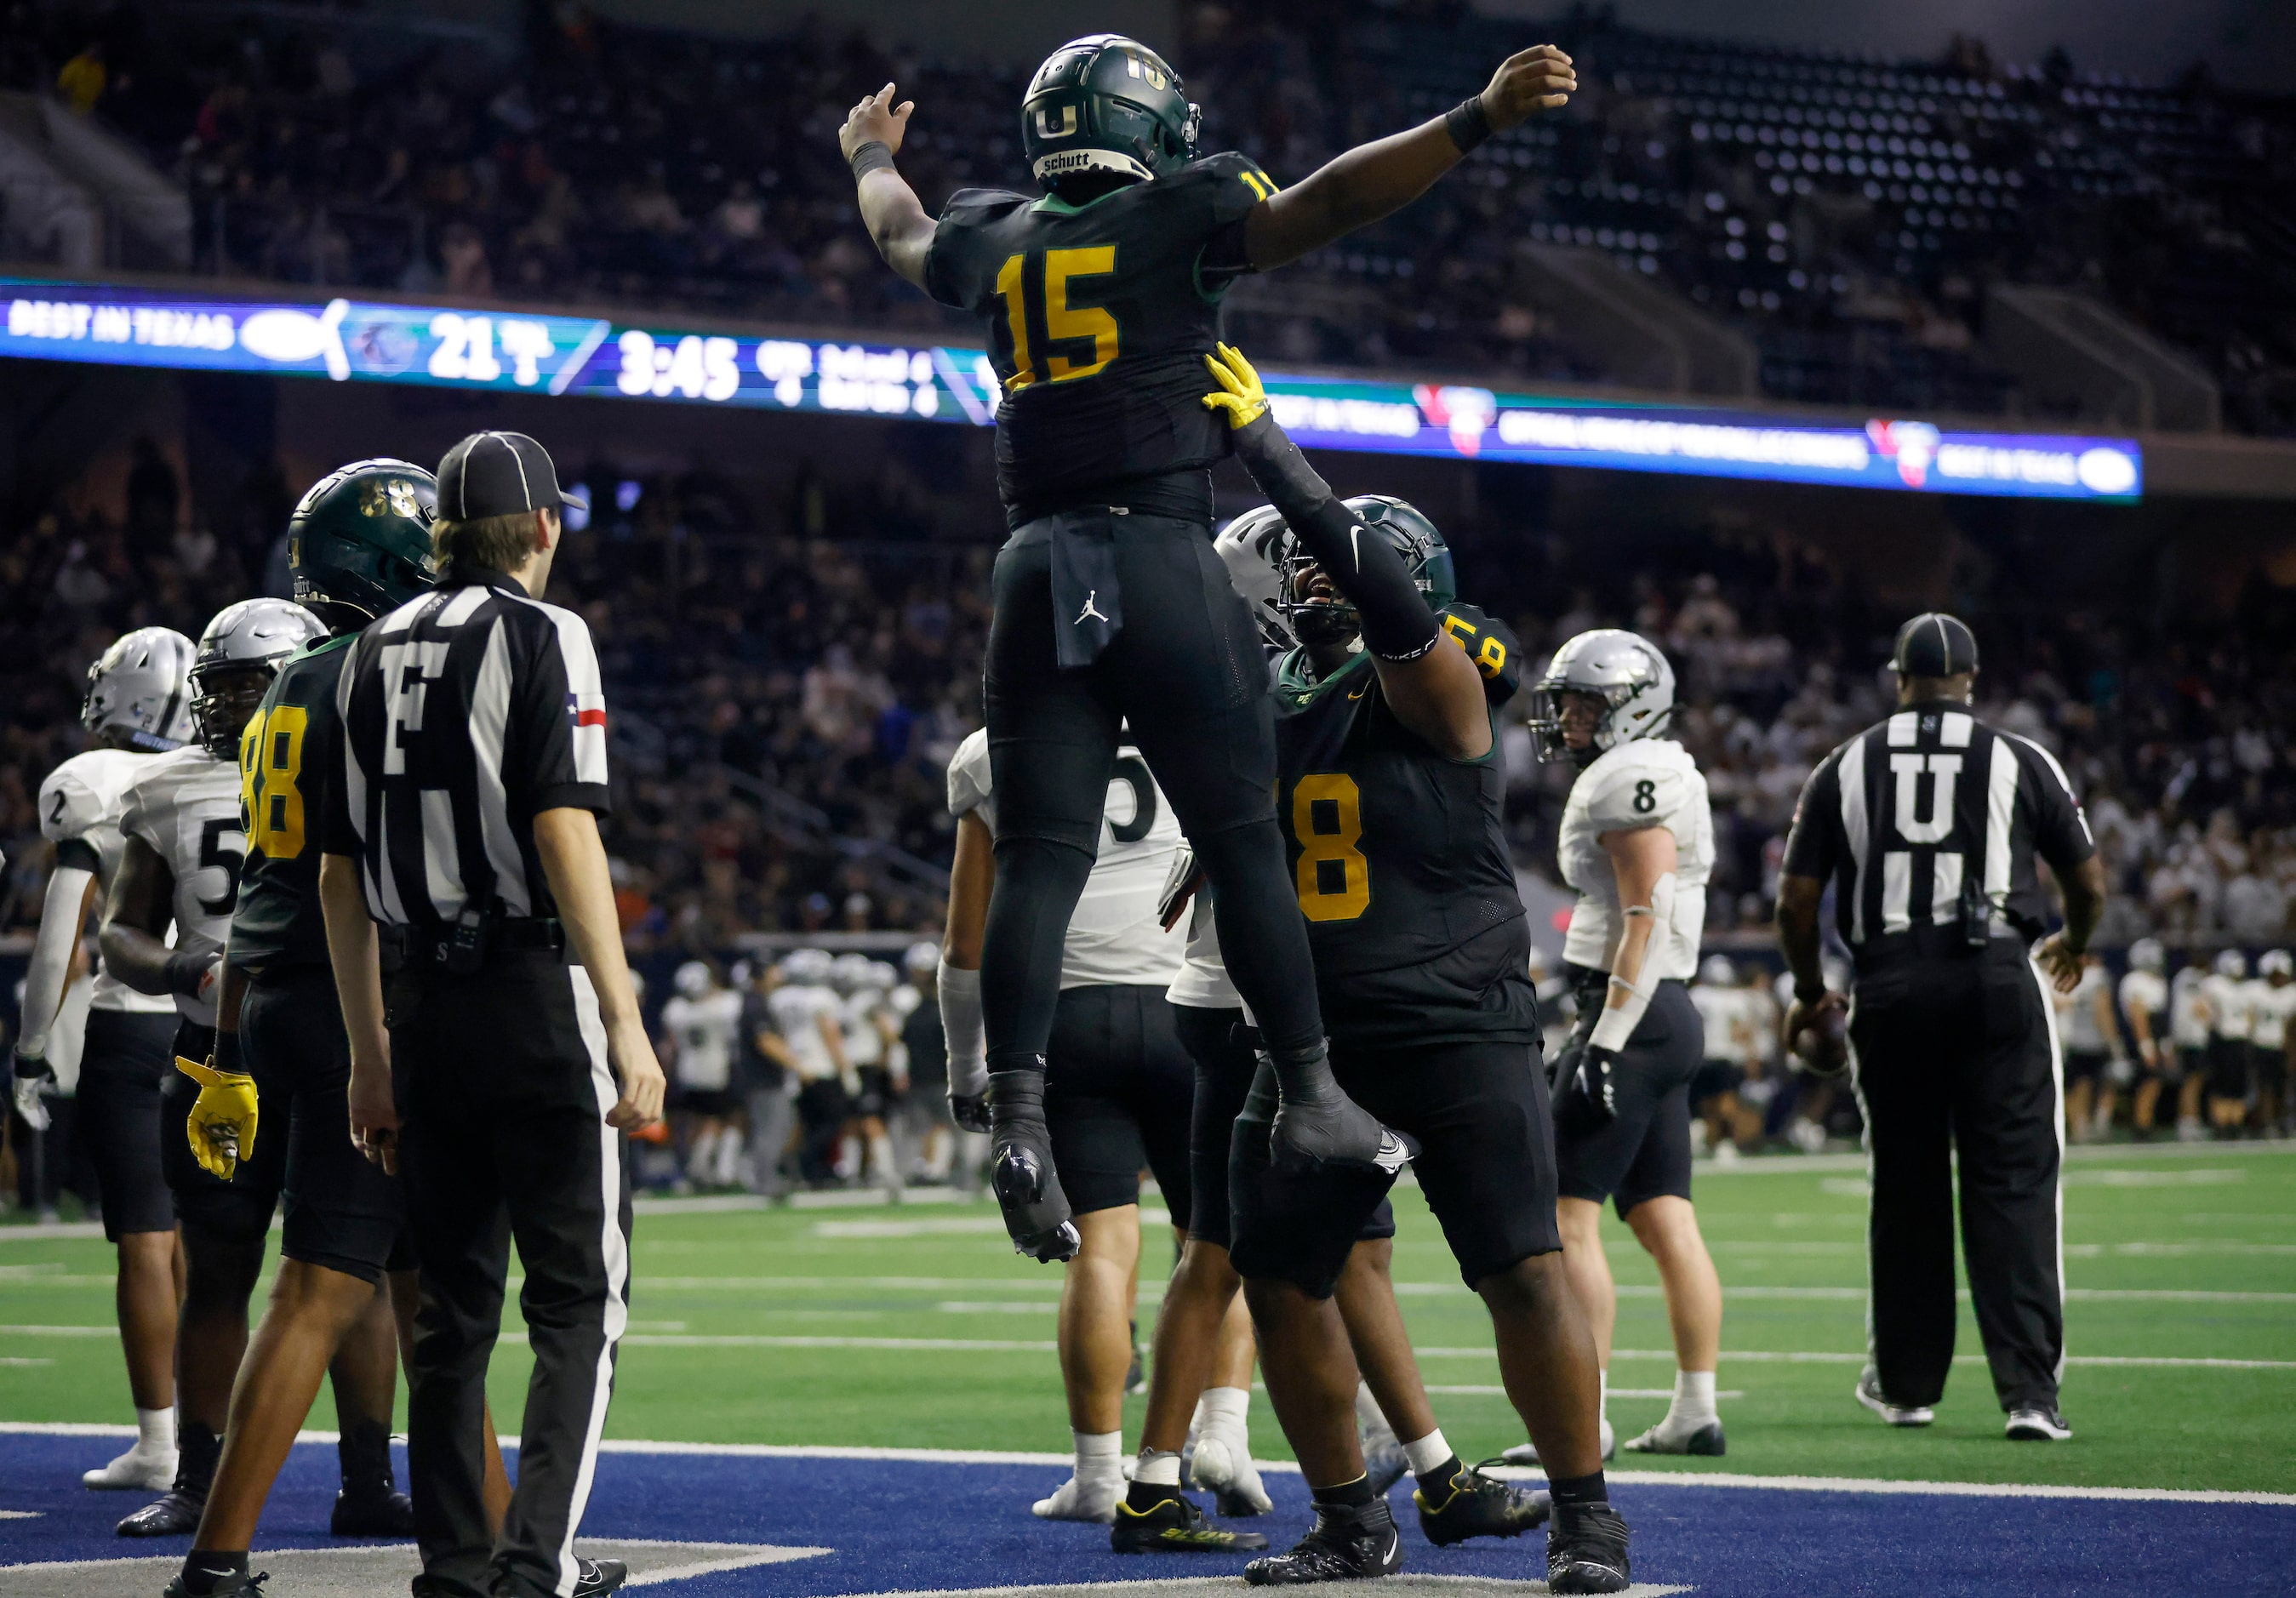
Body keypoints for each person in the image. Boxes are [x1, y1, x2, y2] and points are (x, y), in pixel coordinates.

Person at [837, 33, 1577, 1261]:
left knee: (1036, 858)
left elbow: (898, 231)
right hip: (1160, 556)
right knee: (1240, 838)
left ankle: (1016, 1119)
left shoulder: (993, 235)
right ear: (1150, 128)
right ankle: (1311, 1089)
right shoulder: (1181, 211)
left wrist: (867, 151)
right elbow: (1330, 199)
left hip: (1033, 569)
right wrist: (1474, 117)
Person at [1198, 345, 1626, 1592]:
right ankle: (1348, 1518)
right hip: (1314, 1038)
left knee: (1519, 1265)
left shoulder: (1436, 685)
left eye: (1328, 585)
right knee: (1276, 1278)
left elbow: (1396, 620)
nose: (1305, 603)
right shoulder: (1263, 701)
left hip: (1454, 1016)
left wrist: (1275, 456)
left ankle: (1585, 1516)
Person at [321, 430, 665, 1598]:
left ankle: (457, 1570)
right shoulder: (544, 631)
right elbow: (566, 823)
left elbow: (336, 870)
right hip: (527, 991)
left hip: (414, 1002)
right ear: (546, 528)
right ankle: (534, 1567)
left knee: (451, 1313)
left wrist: (368, 1053)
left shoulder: (361, 647)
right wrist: (623, 1017)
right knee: (579, 1294)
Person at [164, 462, 513, 1598]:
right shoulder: (375, 672)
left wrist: (225, 1046)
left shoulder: (293, 680)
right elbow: (353, 869)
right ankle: (214, 1560)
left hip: (280, 994)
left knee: (427, 1300)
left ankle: (511, 1548)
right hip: (353, 999)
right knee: (319, 1287)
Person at [1777, 611, 2106, 1445]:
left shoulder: (1843, 765)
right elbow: (2087, 881)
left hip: (1890, 982)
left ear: (1899, 680)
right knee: (2015, 1187)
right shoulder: (2020, 758)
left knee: (1907, 1187)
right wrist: (2076, 940)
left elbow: (1796, 899)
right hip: (1996, 975)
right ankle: (2029, 1395)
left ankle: (1906, 1385)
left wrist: (1812, 992)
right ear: (1972, 681)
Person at [101, 599, 376, 1544]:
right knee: (217, 1263)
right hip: (211, 1047)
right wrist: (181, 966)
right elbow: (122, 930)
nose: (228, 704)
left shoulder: (343, 760)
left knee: (352, 1262)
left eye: (249, 683)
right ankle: (197, 1477)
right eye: (217, 686)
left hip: (324, 1036)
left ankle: (369, 1479)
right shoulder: (163, 788)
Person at [940, 722, 1255, 1532]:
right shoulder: (1191, 710)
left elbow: (966, 942)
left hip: (1068, 1016)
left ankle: (1095, 1472)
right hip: (1190, 1004)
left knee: (1101, 1249)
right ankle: (1223, 1434)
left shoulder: (993, 748)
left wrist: (967, 1069)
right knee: (1217, 1243)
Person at [1527, 629, 1728, 1462]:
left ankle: (1585, 1419)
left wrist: (1602, 1041)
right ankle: (1693, 1409)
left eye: (1585, 704)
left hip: (1632, 1016)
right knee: (1662, 1218)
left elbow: (1641, 915)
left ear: (1631, 708)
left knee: (1570, 1219)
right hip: (1661, 1012)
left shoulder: (1630, 776)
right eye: (1566, 703)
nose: (1569, 719)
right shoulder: (1663, 765)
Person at [14, 627, 196, 1494]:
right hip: (209, 1021)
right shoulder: (207, 775)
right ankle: (212, 1431)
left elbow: (62, 941)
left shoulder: (91, 785)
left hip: (131, 1027)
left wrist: (28, 1050)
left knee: (144, 1244)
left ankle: (160, 1444)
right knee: (211, 1240)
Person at [661, 961, 744, 1191]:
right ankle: (708, 1170)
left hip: (688, 1071)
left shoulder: (676, 1010)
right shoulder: (724, 1006)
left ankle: (697, 1169)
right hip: (717, 1070)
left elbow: (670, 1046)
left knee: (697, 1122)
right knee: (720, 1119)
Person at [737, 962, 798, 1197]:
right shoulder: (756, 1004)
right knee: (770, 1131)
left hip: (760, 1079)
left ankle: (764, 1179)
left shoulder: (755, 1001)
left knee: (773, 1130)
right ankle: (765, 1182)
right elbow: (765, 1041)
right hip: (764, 1079)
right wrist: (797, 1064)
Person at [2058, 951, 2122, 1142]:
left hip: (2073, 1039)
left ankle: (2080, 1127)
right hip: (2095, 1039)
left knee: (2077, 1085)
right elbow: (2102, 1009)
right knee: (2106, 1082)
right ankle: (2099, 1125)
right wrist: (2114, 1042)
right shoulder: (2097, 977)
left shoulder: (2071, 975)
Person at [2118, 939, 2175, 1139]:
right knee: (2147, 1082)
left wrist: (2164, 1045)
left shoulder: (2157, 981)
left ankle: (2146, 1122)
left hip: (2155, 1036)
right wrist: (2146, 1046)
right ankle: (2142, 1125)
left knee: (2155, 1082)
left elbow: (2161, 1018)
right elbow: (2138, 1016)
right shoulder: (2135, 981)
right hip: (2144, 1038)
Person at [2200, 950, 2253, 1137]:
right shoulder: (2214, 984)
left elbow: (2250, 1015)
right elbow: (2202, 1009)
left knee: (2239, 1085)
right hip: (2222, 1040)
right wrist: (2213, 1025)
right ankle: (2220, 1123)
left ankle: (2235, 1124)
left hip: (2241, 1040)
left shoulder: (2247, 988)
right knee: (2221, 1084)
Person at [2167, 957, 2213, 1141]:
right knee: (2193, 1082)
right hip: (2193, 1038)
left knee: (2191, 1082)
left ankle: (2188, 1120)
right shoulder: (2194, 979)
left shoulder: (2182, 978)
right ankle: (2189, 1121)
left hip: (2185, 1037)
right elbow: (2199, 1011)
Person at [2250, 950, 2295, 1136]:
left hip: (2283, 1047)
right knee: (2264, 1088)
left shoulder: (2291, 993)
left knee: (2283, 1088)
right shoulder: (2256, 991)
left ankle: (2283, 1121)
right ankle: (2266, 1123)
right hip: (2261, 1045)